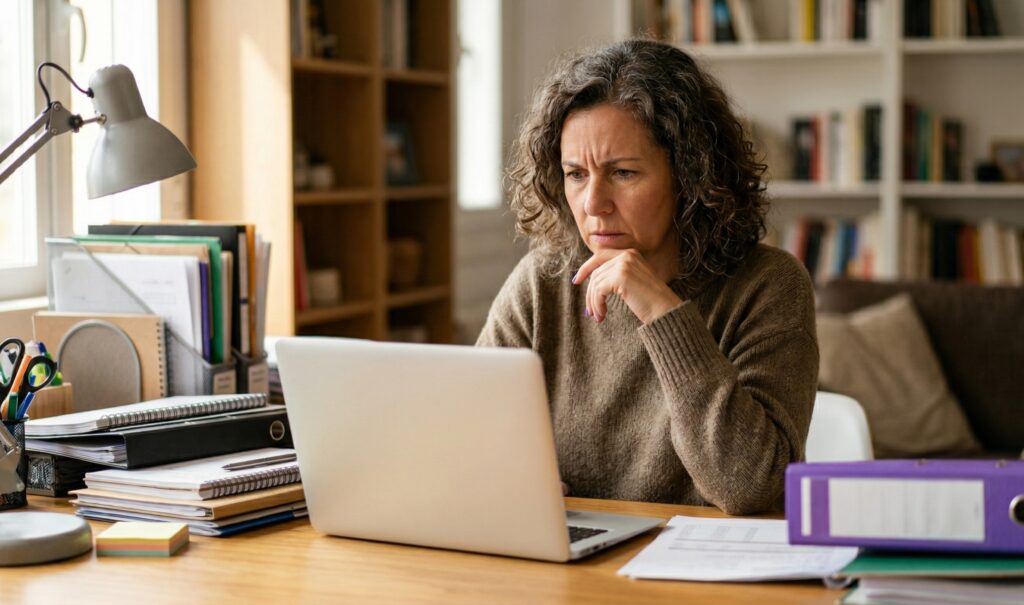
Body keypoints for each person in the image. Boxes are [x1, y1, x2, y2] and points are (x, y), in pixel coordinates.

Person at [476, 39, 818, 515]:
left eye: (623, 173)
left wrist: (662, 312)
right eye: (576, 174)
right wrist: (502, 478)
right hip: (571, 565)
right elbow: (470, 433)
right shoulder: (544, 279)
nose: (593, 203)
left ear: (691, 176)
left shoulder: (770, 285)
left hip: (701, 576)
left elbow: (753, 488)